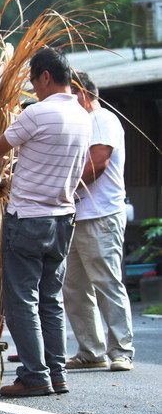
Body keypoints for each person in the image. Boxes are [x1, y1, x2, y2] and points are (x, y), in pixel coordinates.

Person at [0, 47, 92, 397]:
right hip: (63, 219)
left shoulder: (37, 113)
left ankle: (34, 376)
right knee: (50, 299)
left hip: (28, 218)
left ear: (45, 76)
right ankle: (55, 374)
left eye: (34, 80)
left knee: (21, 300)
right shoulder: (83, 115)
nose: (34, 88)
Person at [63, 71, 134, 372]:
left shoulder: (102, 119)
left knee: (106, 281)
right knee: (74, 286)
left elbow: (98, 163)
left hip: (101, 213)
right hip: (75, 214)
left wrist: (60, 189)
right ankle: (91, 350)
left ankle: (122, 350)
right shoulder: (78, 122)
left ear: (81, 93)